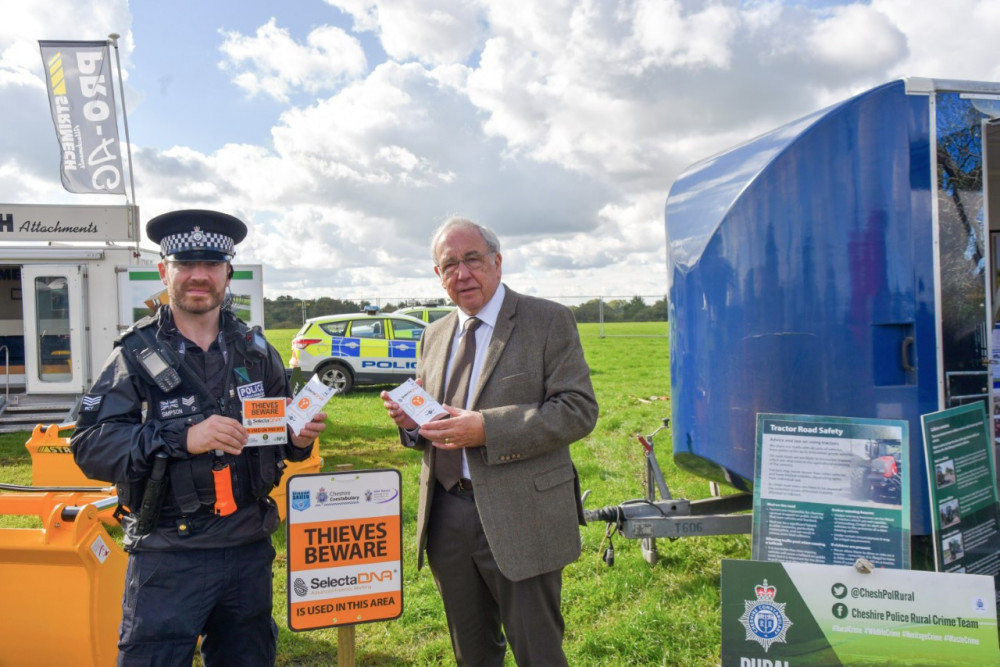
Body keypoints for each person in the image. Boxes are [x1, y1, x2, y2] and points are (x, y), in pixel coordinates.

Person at [72, 209, 327, 666]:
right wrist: (181, 437)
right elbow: (90, 444)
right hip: (169, 554)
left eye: (210, 265)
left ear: (228, 273)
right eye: (185, 264)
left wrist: (299, 438)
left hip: (247, 549)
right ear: (163, 271)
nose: (198, 276)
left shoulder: (256, 350)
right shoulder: (135, 354)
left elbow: (280, 439)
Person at [380, 217, 598, 665]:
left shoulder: (547, 320)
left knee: (538, 652)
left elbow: (578, 409)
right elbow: (434, 420)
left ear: (497, 262)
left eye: (473, 259)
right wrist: (411, 422)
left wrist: (486, 428)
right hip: (446, 515)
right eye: (449, 265)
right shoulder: (434, 334)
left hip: (523, 514)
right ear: (437, 276)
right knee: (472, 653)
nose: (462, 274)